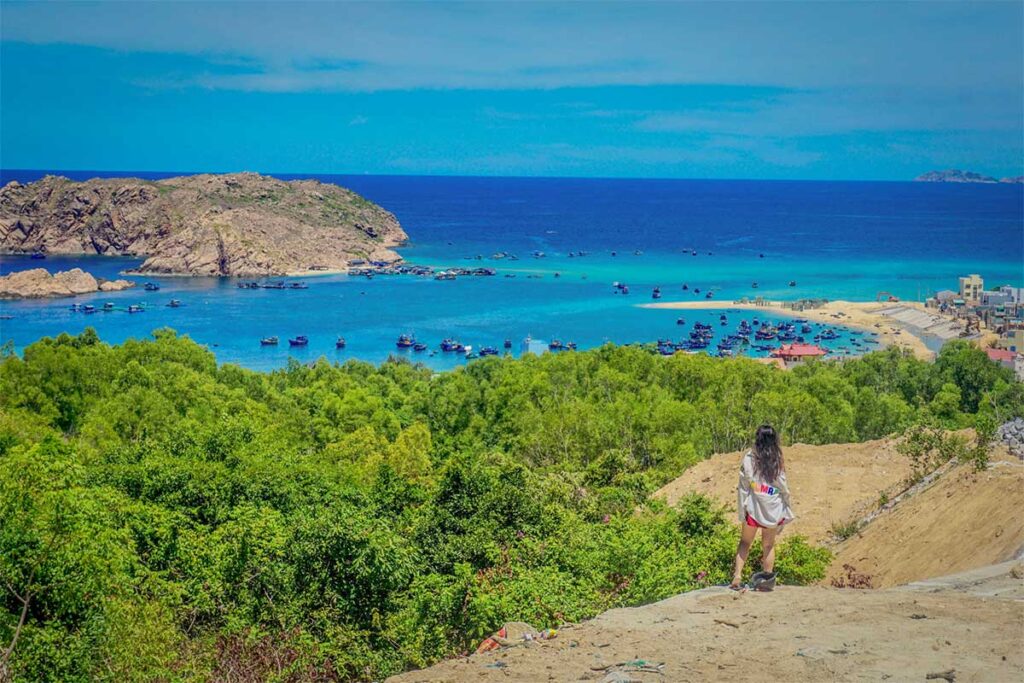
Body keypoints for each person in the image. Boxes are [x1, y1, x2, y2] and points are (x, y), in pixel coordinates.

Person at [730, 424, 794, 590]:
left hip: (753, 506)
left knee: (745, 542)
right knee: (768, 545)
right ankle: (766, 581)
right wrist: (786, 503)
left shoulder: (750, 457)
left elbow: (744, 485)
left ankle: (737, 577)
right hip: (772, 507)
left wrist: (742, 508)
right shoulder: (777, 460)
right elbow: (783, 485)